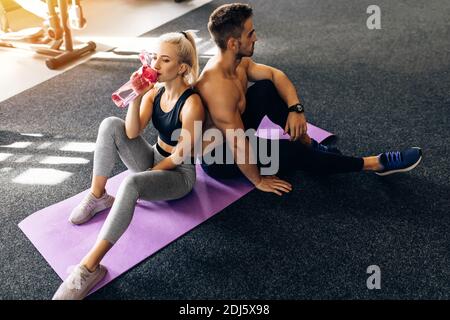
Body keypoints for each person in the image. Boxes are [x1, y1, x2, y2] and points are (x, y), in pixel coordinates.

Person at [196, 3, 422, 195]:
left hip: (238, 132)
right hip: (221, 156)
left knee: (266, 88)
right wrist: (258, 180)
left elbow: (276, 75)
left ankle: (307, 142)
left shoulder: (238, 61)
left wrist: (296, 109)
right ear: (233, 43)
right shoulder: (218, 89)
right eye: (250, 33)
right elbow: (237, 144)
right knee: (294, 154)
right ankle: (375, 163)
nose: (256, 37)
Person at [52, 30, 204, 300]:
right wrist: (136, 95)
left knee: (132, 182)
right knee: (110, 124)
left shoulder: (192, 104)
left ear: (182, 67)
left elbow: (180, 156)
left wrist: (147, 177)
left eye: (165, 60)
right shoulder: (154, 93)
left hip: (179, 174)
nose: (155, 65)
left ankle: (89, 268)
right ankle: (98, 196)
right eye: (155, 57)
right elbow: (132, 133)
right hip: (154, 156)